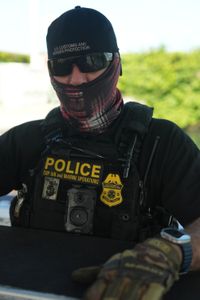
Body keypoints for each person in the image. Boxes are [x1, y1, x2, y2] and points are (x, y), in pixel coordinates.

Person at [0, 6, 200, 300]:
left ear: (117, 64)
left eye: (91, 61)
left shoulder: (162, 144)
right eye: (62, 66)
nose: (77, 79)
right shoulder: (28, 140)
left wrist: (170, 253)